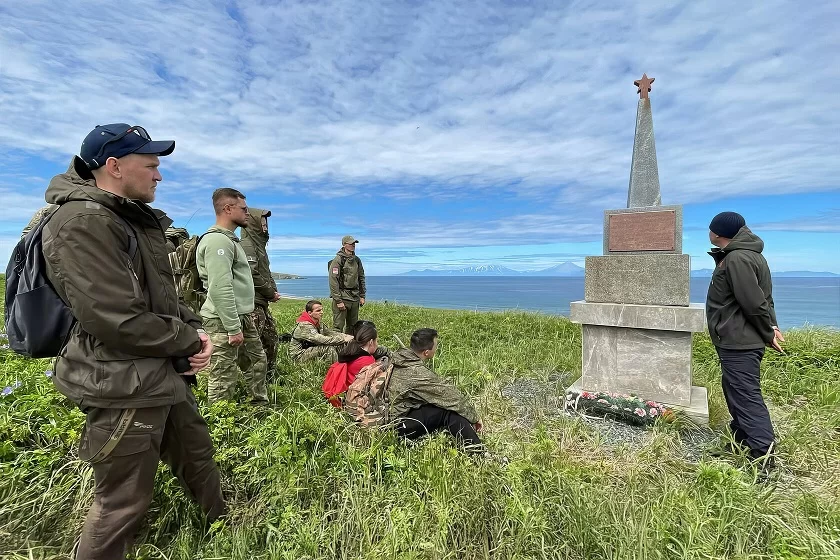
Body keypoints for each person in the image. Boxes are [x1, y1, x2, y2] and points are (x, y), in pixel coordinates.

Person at [41, 123, 225, 560]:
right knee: (122, 501)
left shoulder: (126, 217)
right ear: (115, 166)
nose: (159, 175)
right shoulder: (83, 221)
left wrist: (194, 329)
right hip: (121, 381)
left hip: (156, 373)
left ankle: (225, 529)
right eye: (151, 165)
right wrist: (188, 340)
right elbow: (116, 318)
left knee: (197, 454)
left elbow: (161, 297)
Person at [706, 211, 783, 468]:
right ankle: (741, 440)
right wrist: (772, 325)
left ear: (718, 233)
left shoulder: (738, 258)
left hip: (739, 340)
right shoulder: (749, 255)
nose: (709, 232)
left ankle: (762, 458)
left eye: (711, 229)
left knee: (746, 396)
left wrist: (768, 332)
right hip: (737, 337)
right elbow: (765, 298)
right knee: (735, 391)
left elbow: (753, 302)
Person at [197, 188, 268, 404]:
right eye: (243, 209)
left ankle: (258, 407)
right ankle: (220, 418)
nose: (247, 213)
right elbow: (220, 287)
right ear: (228, 209)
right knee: (223, 374)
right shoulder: (217, 241)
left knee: (256, 362)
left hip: (240, 316)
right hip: (223, 320)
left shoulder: (230, 240)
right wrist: (233, 327)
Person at [389, 328, 482, 448]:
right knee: (448, 411)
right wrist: (475, 418)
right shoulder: (417, 372)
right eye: (435, 346)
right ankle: (477, 451)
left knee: (438, 405)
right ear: (426, 352)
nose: (436, 348)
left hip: (390, 415)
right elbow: (451, 397)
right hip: (397, 427)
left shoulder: (399, 358)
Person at [240, 208, 281, 380]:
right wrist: (270, 292)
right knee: (253, 345)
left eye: (266, 224)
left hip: (261, 302)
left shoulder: (259, 246)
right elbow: (252, 274)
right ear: (253, 223)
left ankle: (268, 377)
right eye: (262, 223)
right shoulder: (247, 245)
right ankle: (250, 381)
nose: (265, 227)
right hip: (252, 303)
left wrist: (273, 290)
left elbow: (266, 272)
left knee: (271, 340)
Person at [323, 320, 389, 406]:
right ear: (371, 342)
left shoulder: (350, 349)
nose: (377, 344)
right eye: (376, 341)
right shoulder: (367, 361)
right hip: (352, 397)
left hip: (340, 391)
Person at [328, 235, 366, 333]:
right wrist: (338, 300)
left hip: (354, 297)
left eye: (354, 243)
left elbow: (361, 278)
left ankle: (350, 343)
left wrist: (362, 295)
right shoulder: (338, 260)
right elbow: (333, 281)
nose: (353, 245)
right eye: (351, 243)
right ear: (344, 245)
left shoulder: (357, 260)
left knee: (353, 327)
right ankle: (337, 343)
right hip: (342, 297)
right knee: (338, 327)